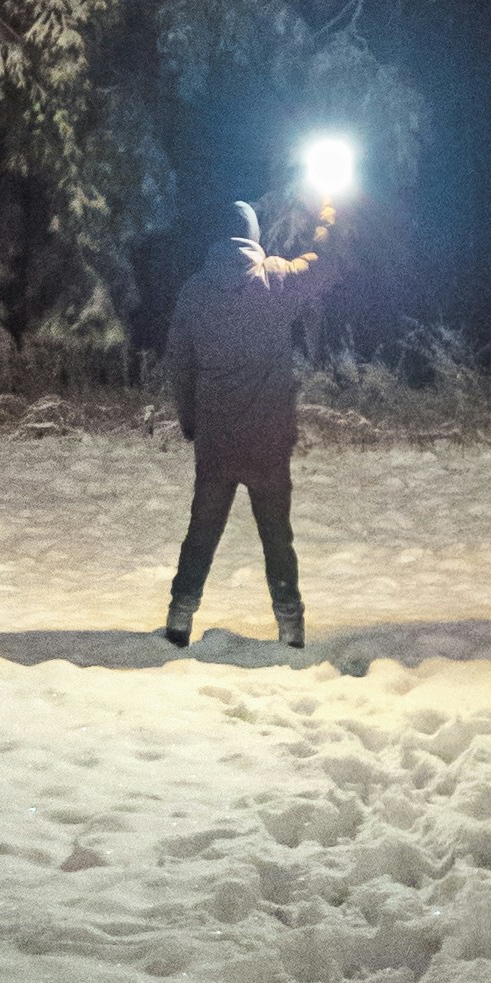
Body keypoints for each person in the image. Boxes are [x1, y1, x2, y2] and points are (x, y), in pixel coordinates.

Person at [160, 194, 325, 649]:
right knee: (277, 538)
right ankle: (290, 627)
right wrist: (329, 209)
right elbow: (325, 265)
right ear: (253, 235)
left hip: (216, 441)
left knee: (201, 532)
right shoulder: (275, 278)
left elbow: (179, 363)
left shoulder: (195, 291)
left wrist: (191, 421)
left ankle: (179, 619)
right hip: (268, 441)